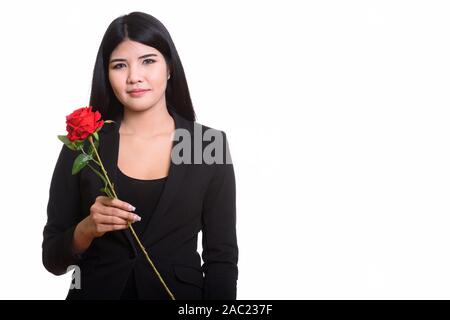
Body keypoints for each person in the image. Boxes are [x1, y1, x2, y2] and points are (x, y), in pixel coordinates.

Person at [42, 11, 238, 300]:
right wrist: (87, 228)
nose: (134, 77)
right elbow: (52, 258)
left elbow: (221, 258)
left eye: (148, 61)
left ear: (170, 67)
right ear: (106, 75)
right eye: (120, 65)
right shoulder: (86, 144)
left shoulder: (205, 144)